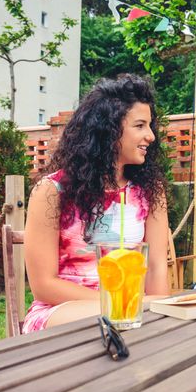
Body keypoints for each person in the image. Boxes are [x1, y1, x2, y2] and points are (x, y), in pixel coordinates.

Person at [22, 74, 170, 333]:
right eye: (140, 125)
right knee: (111, 318)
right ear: (109, 129)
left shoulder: (149, 191)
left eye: (150, 126)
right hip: (63, 310)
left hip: (134, 312)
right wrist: (126, 304)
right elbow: (43, 285)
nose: (151, 136)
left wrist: (159, 318)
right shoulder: (52, 191)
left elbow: (156, 266)